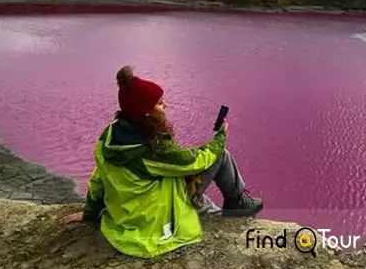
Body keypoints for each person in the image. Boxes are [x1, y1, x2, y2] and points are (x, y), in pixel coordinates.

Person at [61, 65, 263, 258]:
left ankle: (223, 204)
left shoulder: (111, 135)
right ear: (146, 113)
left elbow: (98, 179)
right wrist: (220, 137)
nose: (165, 105)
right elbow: (195, 161)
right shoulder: (152, 148)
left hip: (126, 218)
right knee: (220, 155)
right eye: (159, 103)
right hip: (154, 224)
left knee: (200, 179)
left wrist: (90, 213)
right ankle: (237, 203)